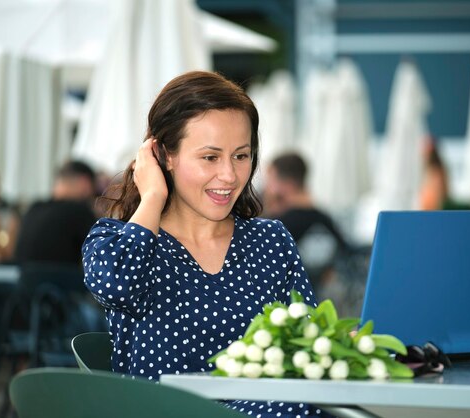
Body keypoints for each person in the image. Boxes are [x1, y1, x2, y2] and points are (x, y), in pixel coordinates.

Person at [82, 71, 328, 418]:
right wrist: (152, 196)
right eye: (210, 157)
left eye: (241, 156)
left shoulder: (271, 241)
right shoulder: (116, 240)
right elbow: (115, 287)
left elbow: (311, 344)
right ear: (164, 156)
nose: (229, 175)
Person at [262, 152, 348, 296]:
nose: (266, 188)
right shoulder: (326, 219)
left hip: (287, 311)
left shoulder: (277, 227)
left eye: (270, 181)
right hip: (325, 312)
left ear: (286, 185)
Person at [14, 160, 97, 264]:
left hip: (26, 278)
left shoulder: (34, 208)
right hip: (61, 279)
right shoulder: (79, 211)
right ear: (84, 182)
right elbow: (98, 254)